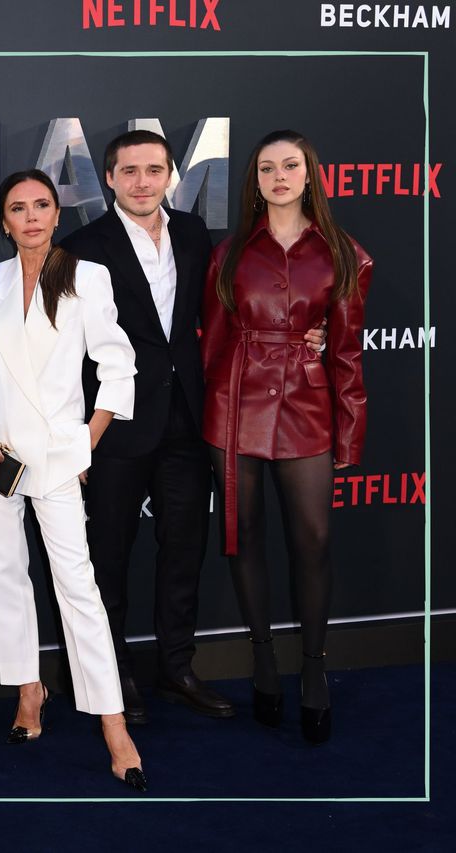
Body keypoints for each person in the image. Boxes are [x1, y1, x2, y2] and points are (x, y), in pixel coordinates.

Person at [60, 130, 324, 725]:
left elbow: (245, 308)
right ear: (109, 178)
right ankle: (113, 675)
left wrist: (314, 331)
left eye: (154, 170)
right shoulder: (80, 246)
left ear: (170, 176)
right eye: (129, 171)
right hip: (116, 426)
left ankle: (177, 668)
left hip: (187, 419)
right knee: (109, 557)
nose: (142, 182)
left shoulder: (196, 236)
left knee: (184, 551)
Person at [0, 169, 145, 790]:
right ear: (4, 220)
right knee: (6, 575)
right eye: (17, 208)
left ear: (56, 213)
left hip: (57, 456)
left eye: (41, 206)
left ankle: (113, 722)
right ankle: (29, 689)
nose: (31, 217)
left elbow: (118, 364)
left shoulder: (85, 275)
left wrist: (87, 443)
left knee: (78, 585)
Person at [201, 130, 371, 744]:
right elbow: (212, 346)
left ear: (310, 174)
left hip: (307, 405)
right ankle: (264, 660)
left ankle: (315, 669)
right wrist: (211, 421)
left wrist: (349, 436)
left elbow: (348, 355)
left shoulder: (343, 254)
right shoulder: (229, 254)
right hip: (234, 407)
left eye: (290, 165)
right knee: (243, 539)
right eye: (267, 167)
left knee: (314, 542)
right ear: (256, 179)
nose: (279, 176)